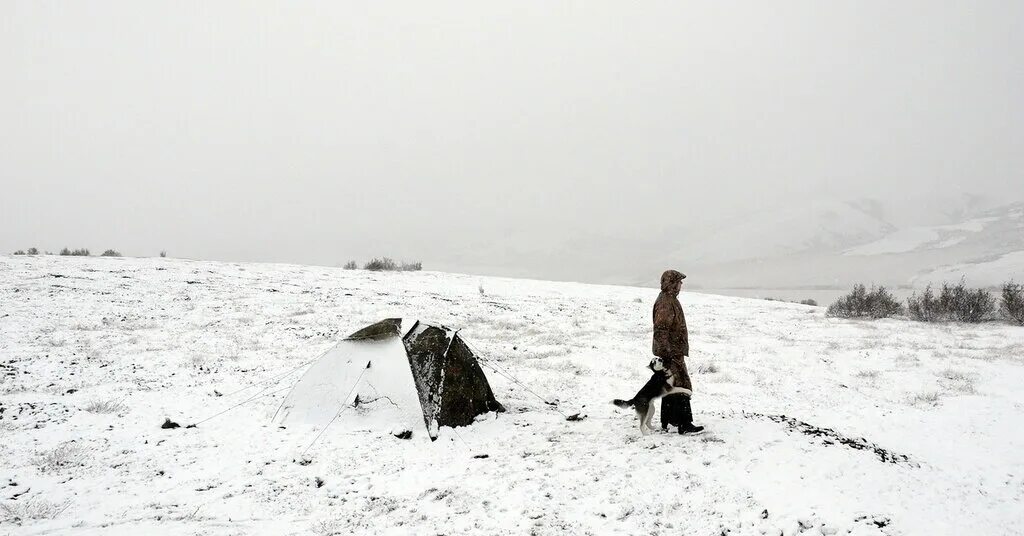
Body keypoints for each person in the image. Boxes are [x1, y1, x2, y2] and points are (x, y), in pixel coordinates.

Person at [652, 269, 704, 434]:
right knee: (681, 385)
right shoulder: (666, 302)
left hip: (672, 351)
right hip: (671, 352)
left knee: (672, 385)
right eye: (679, 281)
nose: (681, 284)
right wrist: (667, 353)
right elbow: (661, 330)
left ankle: (669, 421)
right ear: (672, 284)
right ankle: (684, 424)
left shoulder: (669, 299)